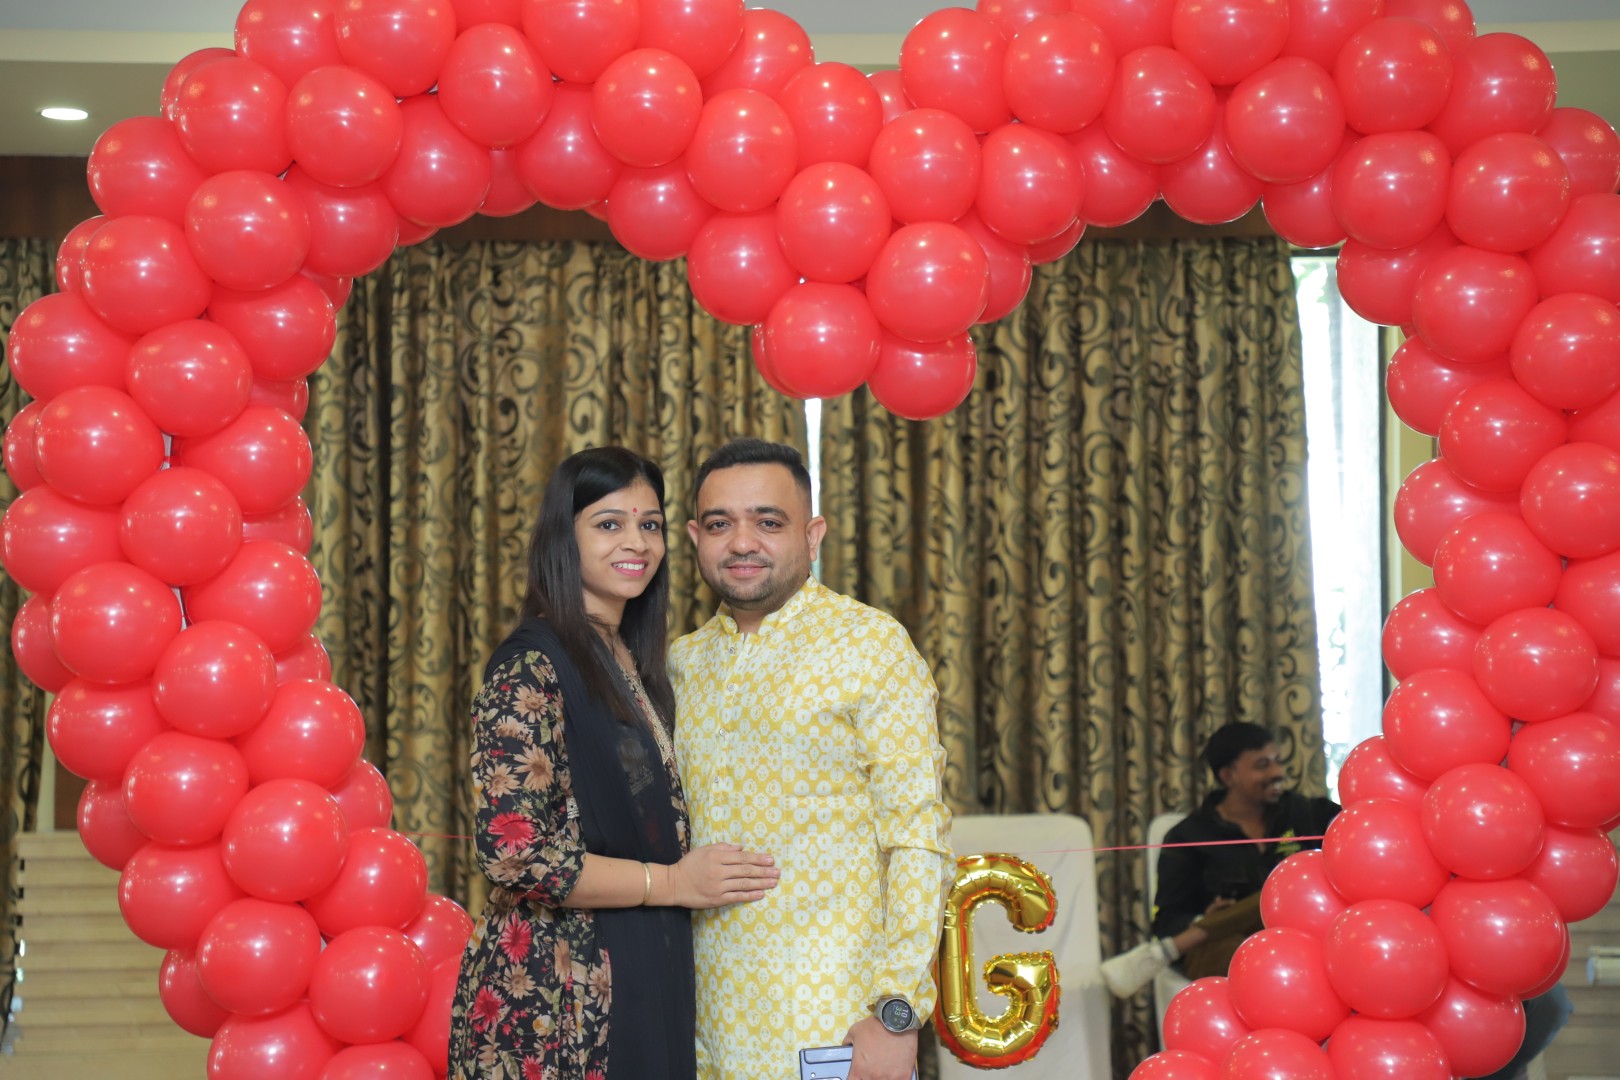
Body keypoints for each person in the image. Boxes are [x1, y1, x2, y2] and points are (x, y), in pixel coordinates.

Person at [449, 447, 781, 1080]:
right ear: (564, 538)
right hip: (559, 994)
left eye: (650, 524)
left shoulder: (637, 661)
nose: (637, 542)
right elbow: (513, 852)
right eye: (609, 524)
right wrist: (674, 884)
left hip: (646, 967)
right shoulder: (532, 664)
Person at [670, 438, 953, 1080]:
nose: (742, 543)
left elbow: (918, 838)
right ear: (695, 537)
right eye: (720, 524)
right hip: (704, 1035)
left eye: (769, 522)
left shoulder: (870, 645)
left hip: (836, 1030)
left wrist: (896, 1012)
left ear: (813, 534)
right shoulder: (681, 662)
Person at [1100, 722, 1340, 997]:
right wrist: (1205, 917)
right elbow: (1166, 921)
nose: (1277, 772)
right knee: (1247, 950)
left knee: (1289, 887)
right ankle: (1204, 932)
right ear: (1228, 775)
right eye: (1262, 765)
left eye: (1277, 761)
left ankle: (1173, 947)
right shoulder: (1188, 836)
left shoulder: (1306, 813)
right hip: (1223, 946)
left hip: (1302, 931)